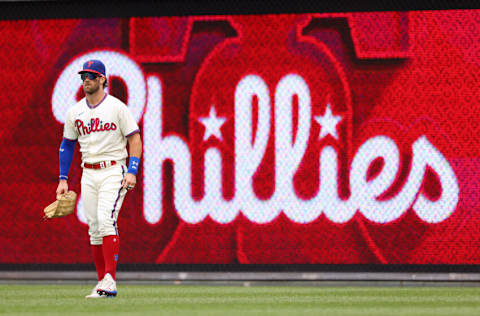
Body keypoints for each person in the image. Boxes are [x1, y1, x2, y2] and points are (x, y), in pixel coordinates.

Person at [56, 59, 142, 298]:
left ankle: (110, 280)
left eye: (92, 76)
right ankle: (102, 283)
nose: (87, 80)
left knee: (106, 220)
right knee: (94, 229)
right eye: (84, 75)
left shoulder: (117, 107)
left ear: (103, 79)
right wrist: (63, 179)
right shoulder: (75, 112)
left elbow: (134, 139)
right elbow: (67, 145)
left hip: (114, 170)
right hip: (88, 172)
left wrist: (132, 171)